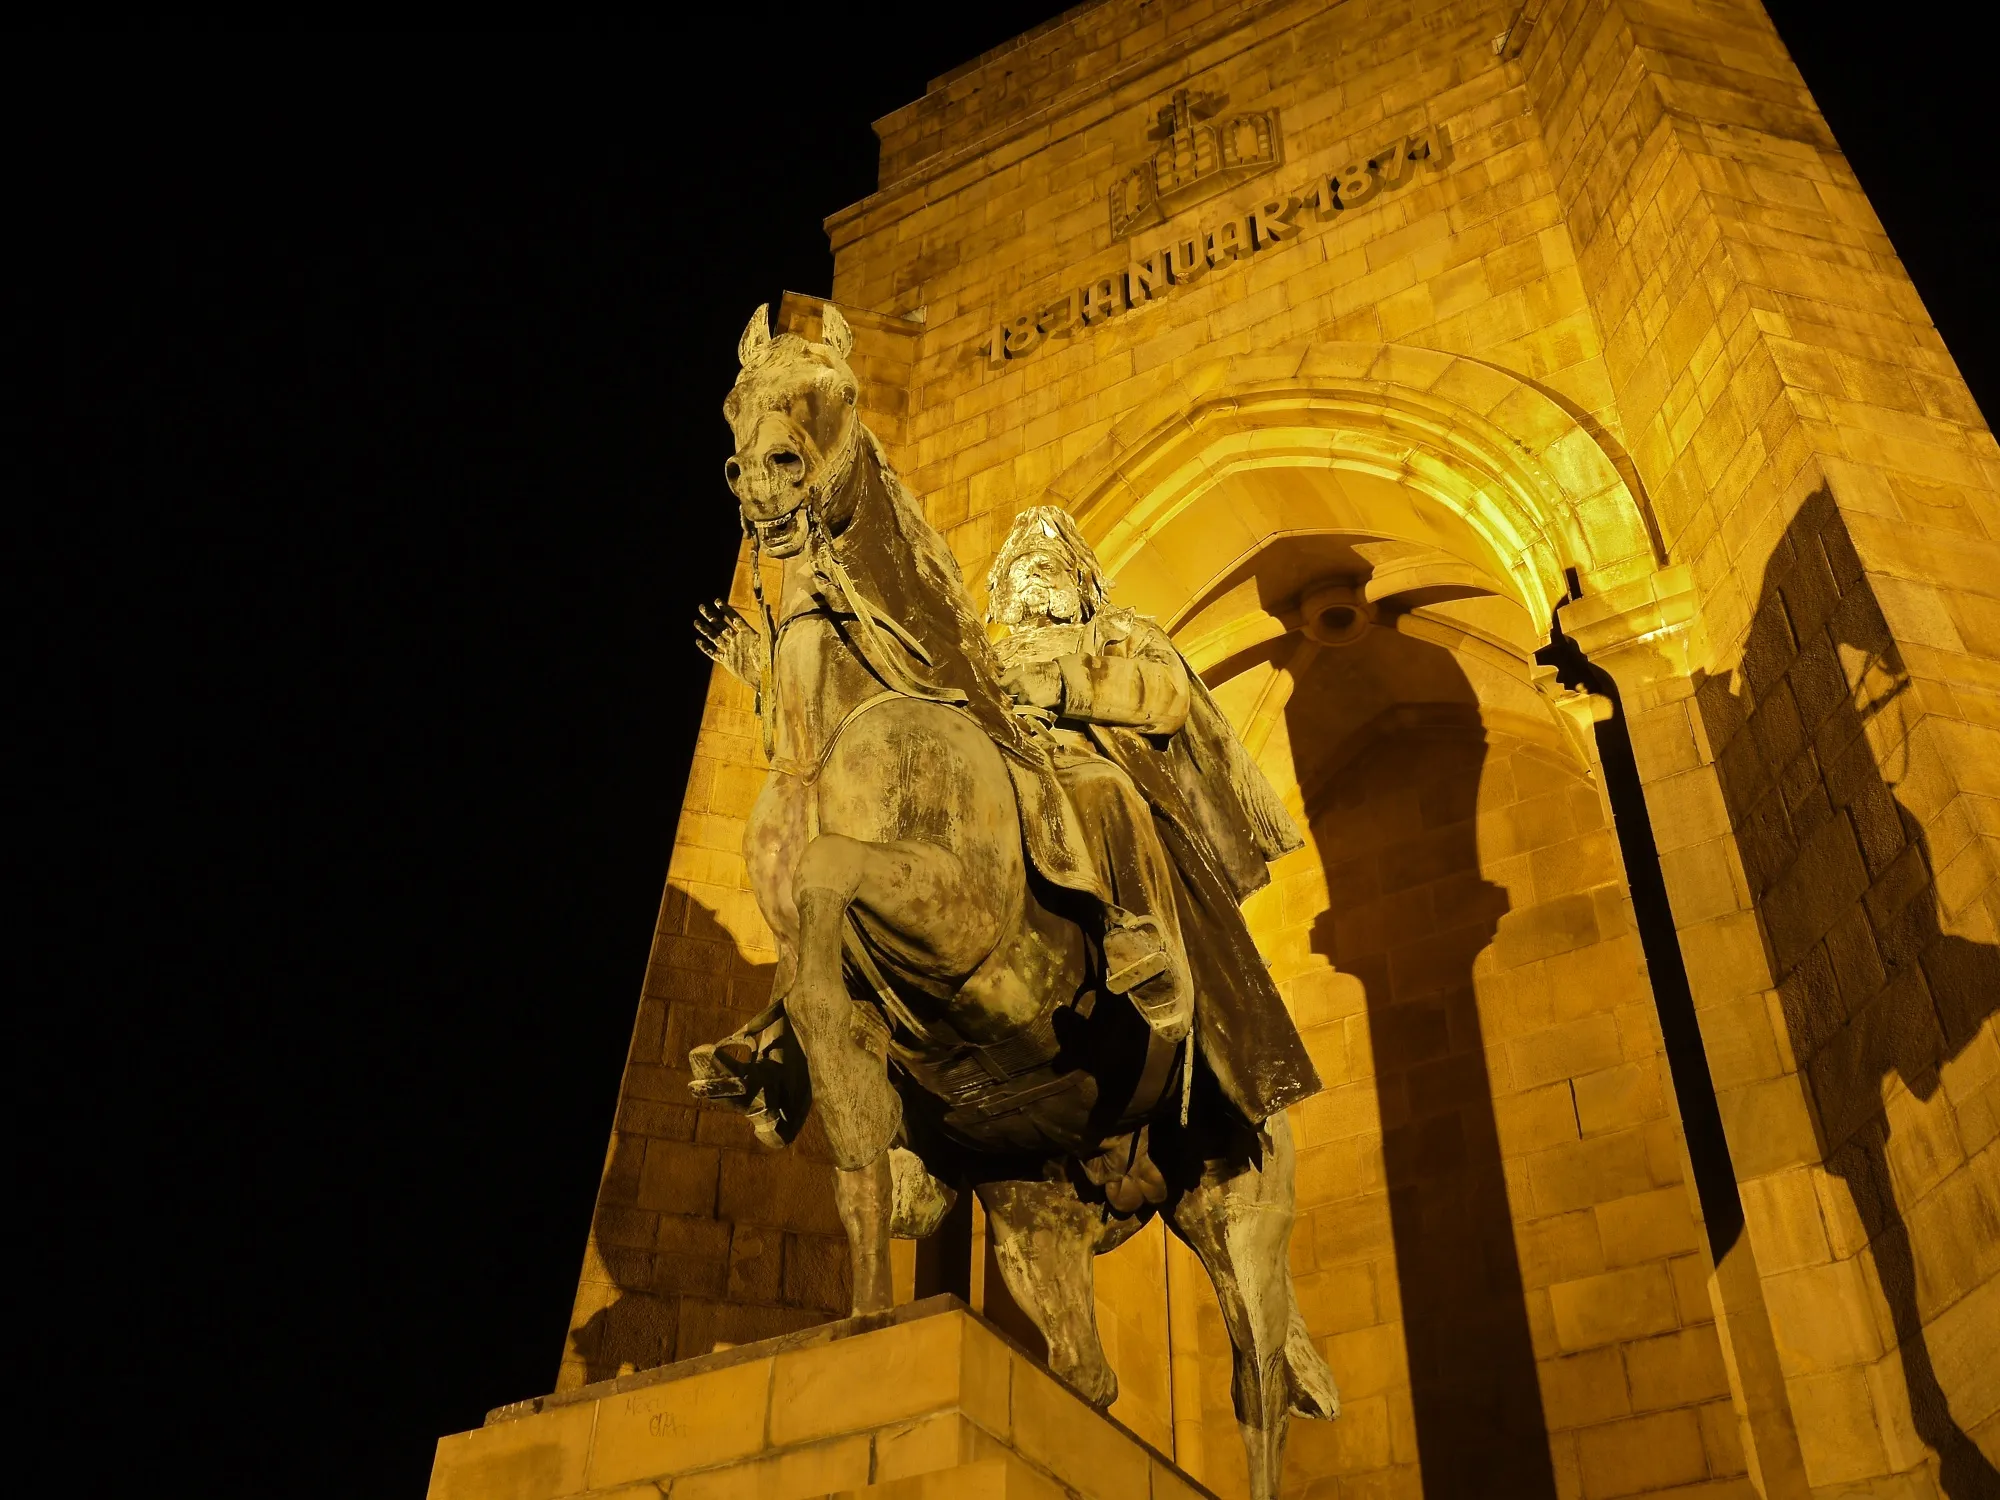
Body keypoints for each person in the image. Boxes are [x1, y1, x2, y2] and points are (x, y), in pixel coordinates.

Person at [987, 507, 1319, 1122]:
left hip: (1085, 772)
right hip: (1000, 774)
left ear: (1079, 582)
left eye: (1047, 565)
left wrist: (1059, 684)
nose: (1031, 578)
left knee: (1100, 791)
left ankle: (1139, 940)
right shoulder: (979, 652)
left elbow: (1166, 699)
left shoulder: (1117, 633)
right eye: (1018, 568)